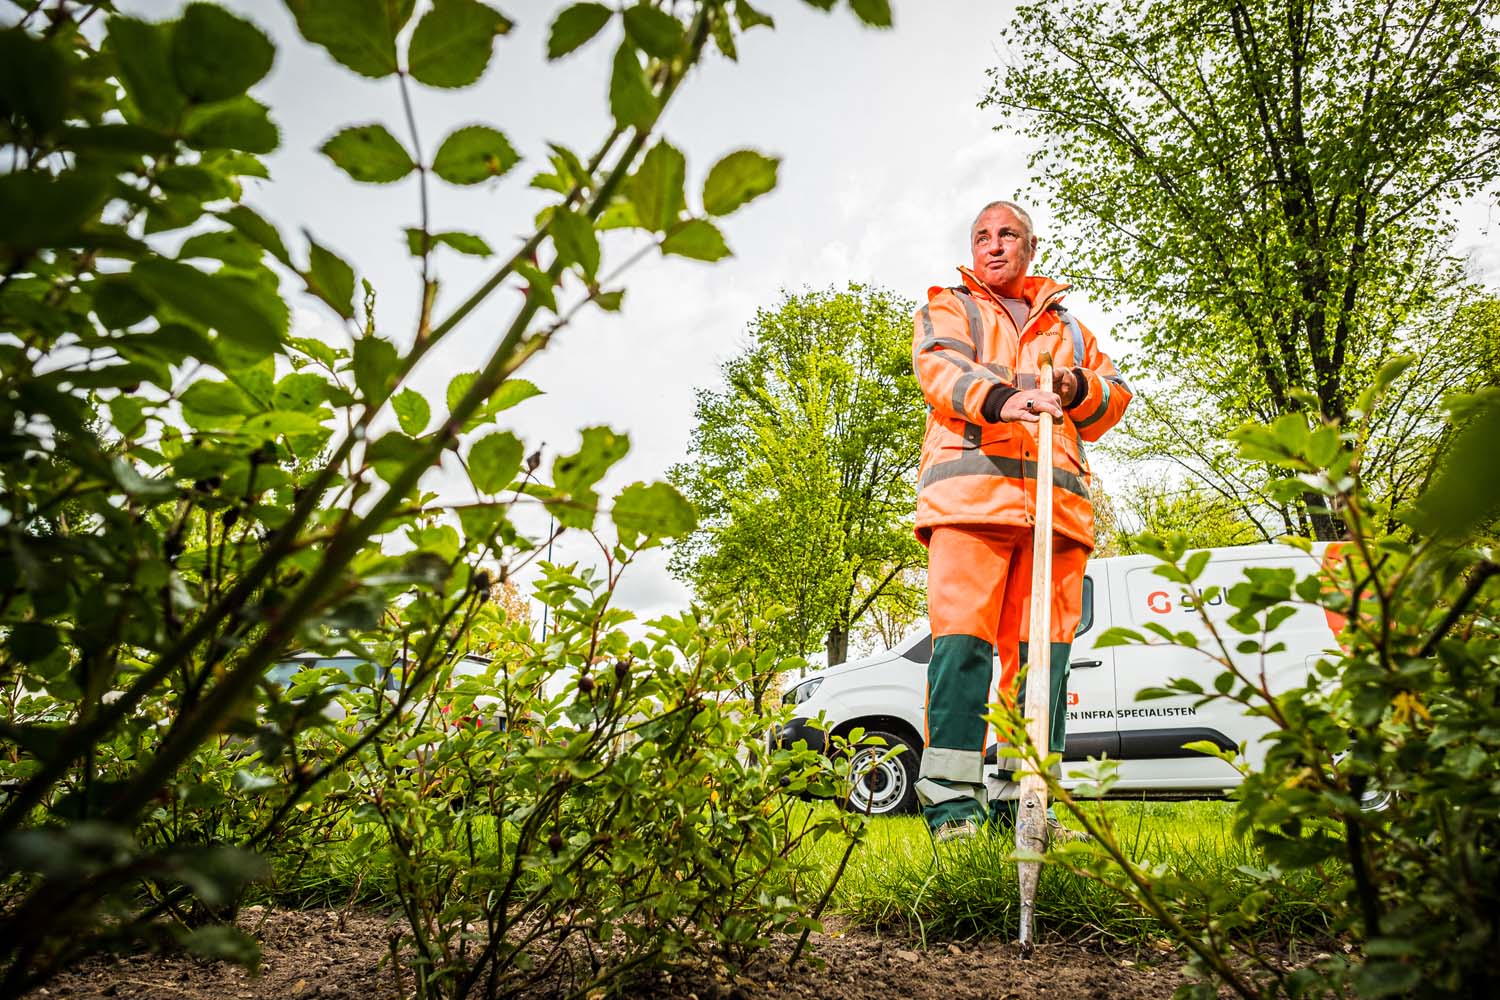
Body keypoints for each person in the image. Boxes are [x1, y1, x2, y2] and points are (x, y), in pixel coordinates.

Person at [911, 200, 1132, 840]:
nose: (993, 245)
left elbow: (1111, 397)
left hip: (1055, 516)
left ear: (1030, 248)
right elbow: (940, 369)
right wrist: (1008, 399)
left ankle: (1025, 805)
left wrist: (1073, 387)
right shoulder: (950, 306)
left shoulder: (1070, 330)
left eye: (1007, 234)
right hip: (971, 503)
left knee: (1043, 666)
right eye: (982, 236)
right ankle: (953, 808)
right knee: (962, 652)